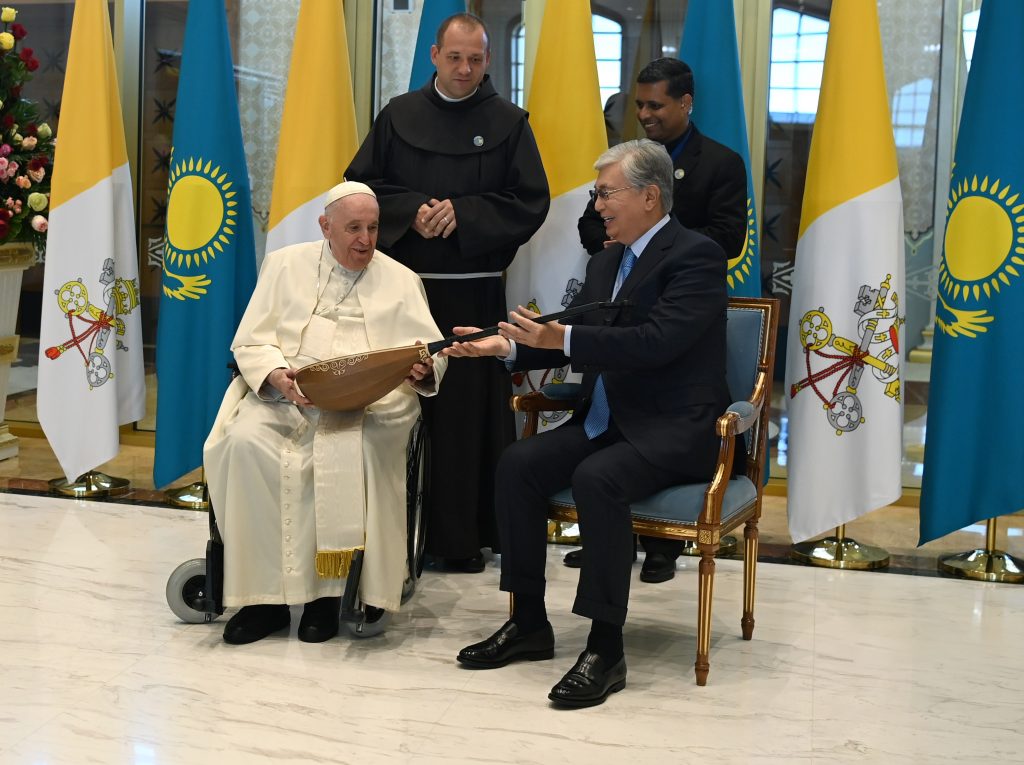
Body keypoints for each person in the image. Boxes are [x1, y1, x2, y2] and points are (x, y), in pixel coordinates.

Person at [444, 140, 730, 708]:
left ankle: (605, 647)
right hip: (608, 420)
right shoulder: (604, 261)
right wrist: (505, 348)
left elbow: (657, 342)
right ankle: (528, 621)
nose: (596, 206)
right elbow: (572, 340)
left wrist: (564, 338)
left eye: (605, 193)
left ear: (649, 197)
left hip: (675, 427)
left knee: (598, 478)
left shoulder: (696, 256)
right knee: (519, 464)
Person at [345, 12, 549, 573]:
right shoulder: (398, 115)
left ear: (488, 60)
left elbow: (530, 200)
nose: (464, 69)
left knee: (463, 421)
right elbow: (359, 187)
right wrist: (411, 211)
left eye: (475, 59)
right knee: (396, 411)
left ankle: (460, 540)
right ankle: (386, 537)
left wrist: (465, 214)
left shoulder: (509, 123)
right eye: (455, 57)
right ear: (434, 55)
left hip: (472, 296)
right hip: (399, 295)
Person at [204, 182, 447, 645]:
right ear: (325, 227)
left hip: (369, 403)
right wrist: (276, 376)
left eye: (373, 228)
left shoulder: (401, 279)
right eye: (353, 228)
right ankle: (263, 602)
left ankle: (327, 598)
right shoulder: (284, 265)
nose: (365, 240)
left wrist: (422, 367)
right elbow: (251, 341)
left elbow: (429, 351)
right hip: (288, 398)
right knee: (244, 442)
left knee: (351, 449)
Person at [572, 57, 747, 583]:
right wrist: (620, 239)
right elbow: (589, 225)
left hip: (678, 303)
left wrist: (654, 245)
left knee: (658, 404)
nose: (645, 114)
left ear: (685, 103)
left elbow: (728, 235)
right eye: (639, 105)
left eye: (656, 105)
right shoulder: (623, 163)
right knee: (617, 415)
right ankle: (610, 540)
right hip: (620, 293)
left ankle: (662, 547)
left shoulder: (720, 162)